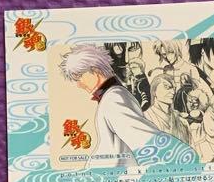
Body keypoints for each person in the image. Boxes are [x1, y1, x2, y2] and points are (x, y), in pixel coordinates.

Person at [58, 44, 198, 167]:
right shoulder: (114, 95)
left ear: (95, 71)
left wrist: (184, 156)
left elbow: (144, 137)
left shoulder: (113, 98)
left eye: (79, 77)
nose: (79, 84)